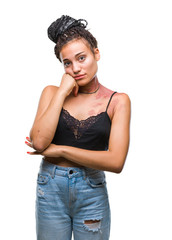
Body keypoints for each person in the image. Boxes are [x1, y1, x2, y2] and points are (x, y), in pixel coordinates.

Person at [26, 15, 131, 240]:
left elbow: (116, 162)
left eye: (81, 58)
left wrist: (62, 151)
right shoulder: (51, 93)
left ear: (96, 54)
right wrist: (62, 92)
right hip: (50, 187)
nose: (75, 68)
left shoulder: (118, 101)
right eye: (67, 63)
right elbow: (40, 143)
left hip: (91, 190)